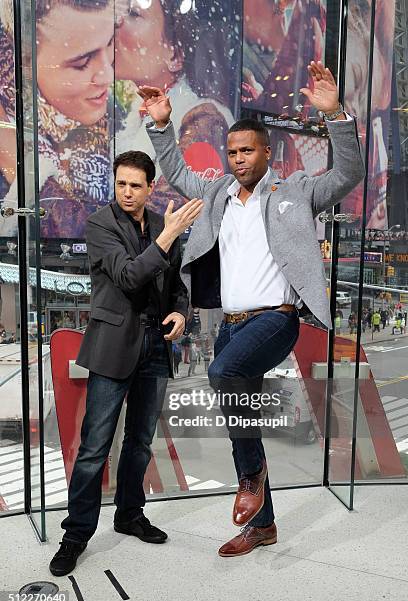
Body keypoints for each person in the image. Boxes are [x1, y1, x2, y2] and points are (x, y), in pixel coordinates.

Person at [140, 60, 365, 557]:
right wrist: (160, 125)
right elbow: (176, 173)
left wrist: (336, 117)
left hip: (276, 319)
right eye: (232, 152)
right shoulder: (218, 193)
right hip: (231, 324)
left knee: (221, 372)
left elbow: (349, 172)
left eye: (247, 151)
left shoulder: (297, 192)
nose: (238, 159)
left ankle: (250, 479)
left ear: (267, 152)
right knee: (241, 419)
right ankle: (262, 524)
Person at [49, 150, 202, 576]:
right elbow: (131, 276)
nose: (128, 192)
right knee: (95, 446)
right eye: (121, 184)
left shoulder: (160, 224)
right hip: (114, 345)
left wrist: (180, 312)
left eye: (136, 185)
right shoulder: (101, 225)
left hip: (156, 345)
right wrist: (168, 237)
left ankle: (129, 513)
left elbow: (175, 285)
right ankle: (75, 535)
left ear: (150, 187)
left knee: (139, 442)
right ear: (113, 184)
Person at [0, 0, 114, 238]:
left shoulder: (121, 120)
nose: (107, 76)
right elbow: (71, 231)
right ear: (26, 63)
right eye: (82, 62)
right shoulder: (11, 132)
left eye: (110, 44)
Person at [114, 0, 236, 214]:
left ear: (175, 55)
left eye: (133, 14)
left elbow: (181, 212)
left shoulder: (204, 119)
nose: (117, 23)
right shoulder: (133, 116)